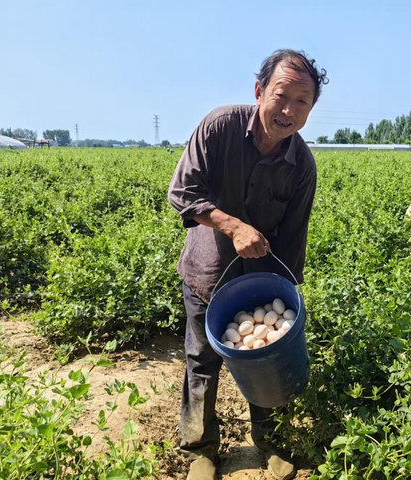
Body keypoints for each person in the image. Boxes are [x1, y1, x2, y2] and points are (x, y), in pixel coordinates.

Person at [168, 49, 328, 480]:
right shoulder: (219, 127)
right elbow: (182, 192)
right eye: (281, 95)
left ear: (311, 110)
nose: (289, 110)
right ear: (259, 91)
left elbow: (292, 239)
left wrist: (287, 297)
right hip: (207, 270)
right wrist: (233, 225)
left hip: (258, 281)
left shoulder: (302, 167)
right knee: (202, 359)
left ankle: (270, 441)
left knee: (265, 358)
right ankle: (200, 448)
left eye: (303, 102)